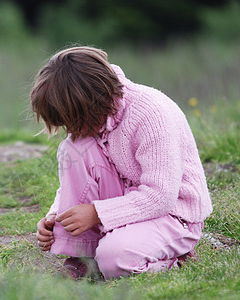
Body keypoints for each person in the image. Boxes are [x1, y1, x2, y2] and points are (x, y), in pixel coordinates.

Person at [31, 46, 212, 280]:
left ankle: (174, 259)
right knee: (73, 149)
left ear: (91, 104)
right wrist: (54, 217)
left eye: (73, 121)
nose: (71, 129)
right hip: (125, 207)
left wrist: (96, 213)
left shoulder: (151, 114)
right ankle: (83, 258)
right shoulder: (95, 118)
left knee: (114, 259)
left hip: (173, 215)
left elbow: (161, 197)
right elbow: (81, 181)